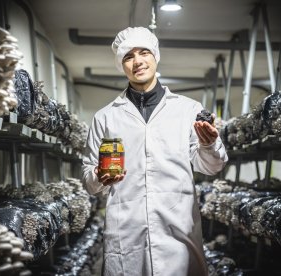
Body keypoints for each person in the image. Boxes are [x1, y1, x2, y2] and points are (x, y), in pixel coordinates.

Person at [82, 27, 228, 276]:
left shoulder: (187, 109)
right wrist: (98, 176)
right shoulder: (106, 117)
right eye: (128, 56)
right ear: (122, 65)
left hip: (178, 230)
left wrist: (208, 144)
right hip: (126, 233)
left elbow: (211, 166)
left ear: (155, 56)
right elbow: (88, 179)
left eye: (144, 52)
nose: (137, 61)